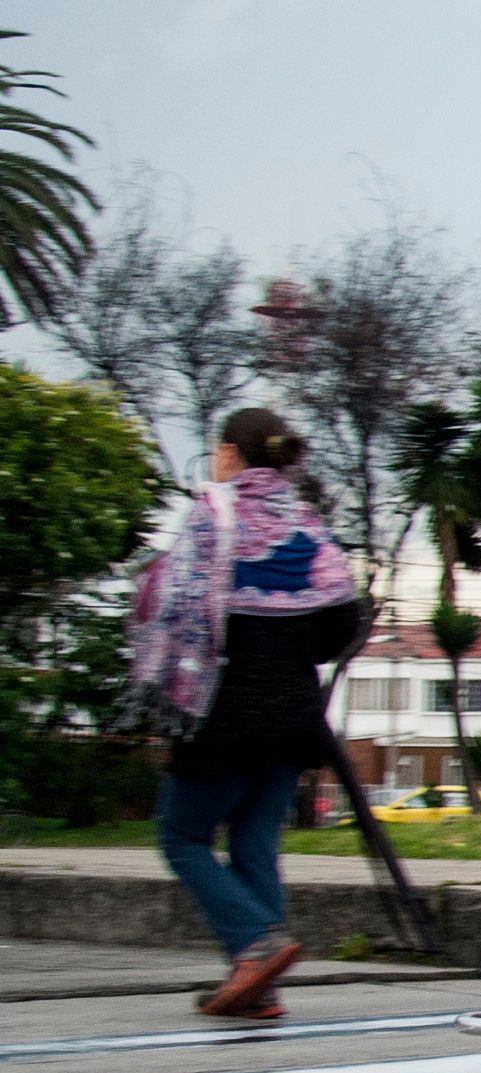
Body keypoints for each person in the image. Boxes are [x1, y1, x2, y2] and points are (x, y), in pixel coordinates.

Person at [126, 407, 362, 1020]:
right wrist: (287, 649)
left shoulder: (213, 517)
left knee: (182, 837)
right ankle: (259, 987)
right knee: (255, 848)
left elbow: (177, 609)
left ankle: (256, 947)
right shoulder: (306, 525)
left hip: (223, 718)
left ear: (231, 453)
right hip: (293, 719)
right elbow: (340, 621)